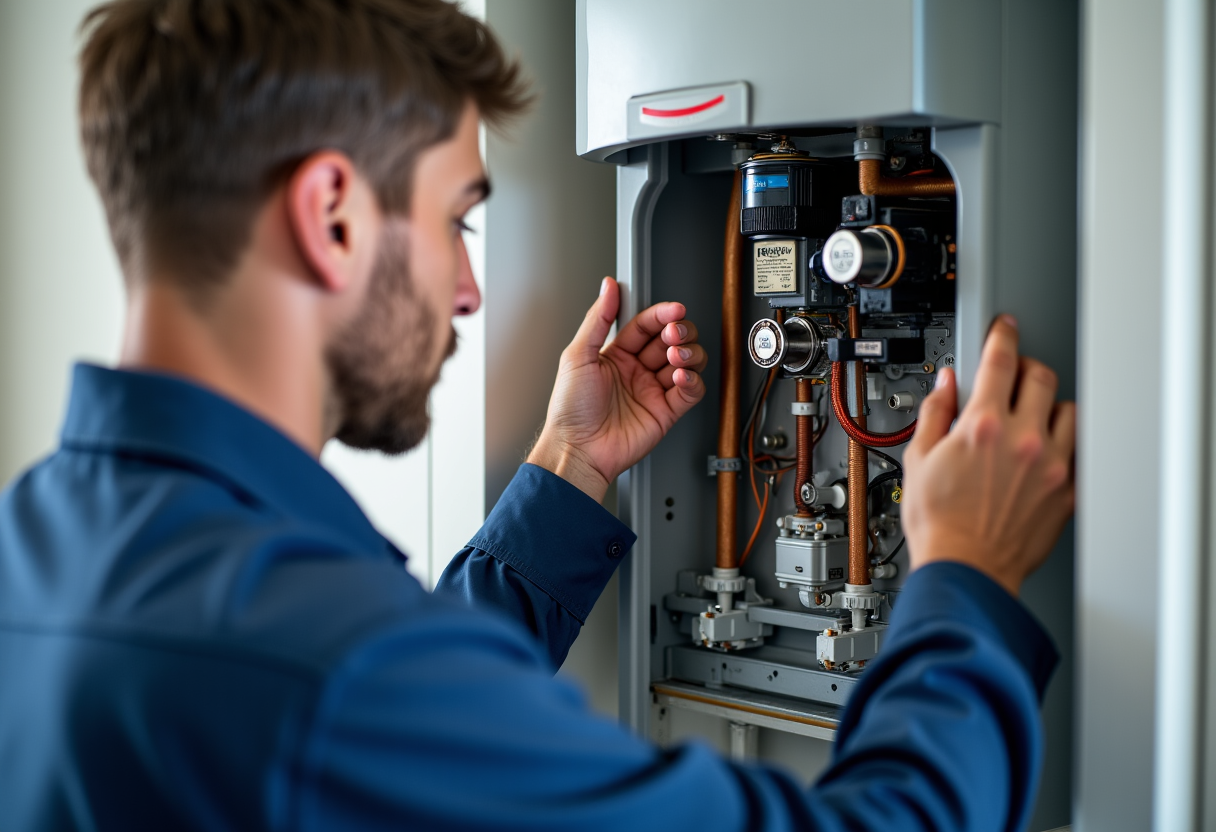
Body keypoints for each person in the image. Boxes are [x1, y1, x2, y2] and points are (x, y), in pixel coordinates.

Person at [0, 1, 1076, 830]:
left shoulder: (41, 545)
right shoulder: (322, 669)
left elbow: (392, 719)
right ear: (329, 216)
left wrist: (568, 466)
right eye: (456, 221)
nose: (468, 290)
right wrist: (965, 580)